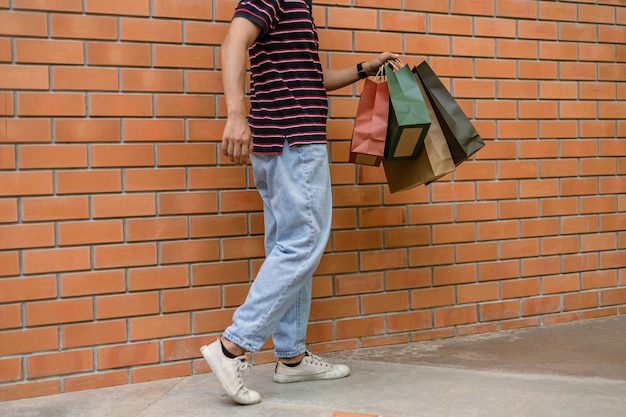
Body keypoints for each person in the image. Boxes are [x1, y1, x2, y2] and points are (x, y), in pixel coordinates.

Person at [200, 0, 398, 405]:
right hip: (294, 140)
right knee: (303, 241)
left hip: (279, 144)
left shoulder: (296, 6)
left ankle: (291, 359)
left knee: (288, 247)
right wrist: (236, 115)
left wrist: (365, 68)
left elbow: (310, 80)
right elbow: (233, 42)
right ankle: (231, 347)